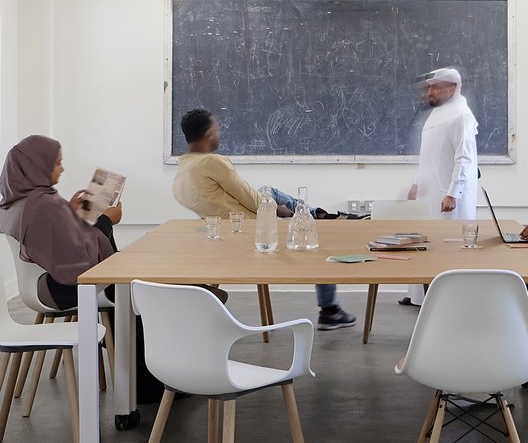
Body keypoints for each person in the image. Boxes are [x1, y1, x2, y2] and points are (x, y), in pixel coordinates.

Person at [0, 135, 166, 403]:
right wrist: (105, 221)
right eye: (57, 164)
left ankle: (137, 370)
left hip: (38, 287)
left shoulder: (16, 202)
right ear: (37, 166)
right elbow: (80, 259)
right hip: (62, 288)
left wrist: (70, 211)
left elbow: (55, 240)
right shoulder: (43, 203)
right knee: (134, 286)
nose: (62, 170)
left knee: (126, 280)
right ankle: (148, 385)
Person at [172, 109, 356, 330]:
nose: (219, 133)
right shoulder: (212, 162)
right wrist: (278, 210)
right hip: (255, 232)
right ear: (210, 133)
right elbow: (251, 199)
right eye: (218, 129)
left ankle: (317, 214)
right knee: (316, 235)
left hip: (226, 232)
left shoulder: (181, 172)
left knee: (270, 191)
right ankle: (330, 310)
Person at [401, 66, 478, 306]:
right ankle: (420, 296)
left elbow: (463, 159)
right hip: (428, 193)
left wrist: (453, 194)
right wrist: (416, 184)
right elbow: (429, 156)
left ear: (452, 88)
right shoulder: (437, 114)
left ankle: (448, 300)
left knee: (447, 247)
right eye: (429, 87)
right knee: (424, 243)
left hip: (448, 197)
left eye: (436, 87)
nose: (430, 92)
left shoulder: (461, 115)